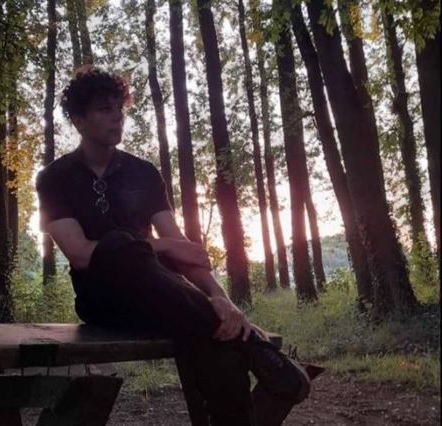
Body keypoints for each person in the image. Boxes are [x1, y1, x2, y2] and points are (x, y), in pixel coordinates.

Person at [36, 66, 311, 425]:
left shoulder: (143, 173)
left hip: (161, 296)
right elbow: (81, 254)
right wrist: (159, 246)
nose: (117, 117)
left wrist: (221, 298)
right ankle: (253, 346)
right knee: (119, 244)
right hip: (102, 300)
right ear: (78, 120)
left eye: (120, 108)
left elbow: (185, 249)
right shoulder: (54, 178)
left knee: (218, 335)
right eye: (105, 109)